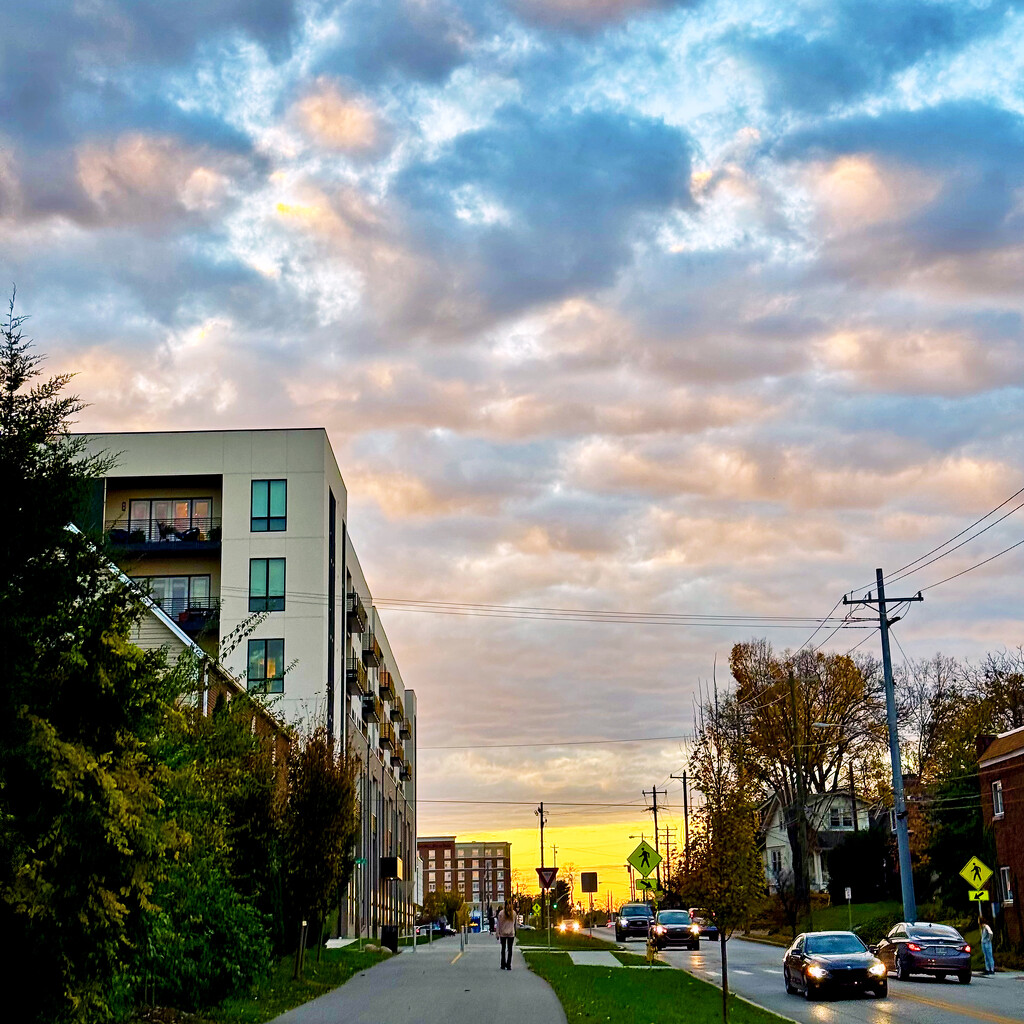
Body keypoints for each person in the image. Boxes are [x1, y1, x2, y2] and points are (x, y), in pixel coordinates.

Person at [497, 901, 516, 970]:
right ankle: (506, 964)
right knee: (507, 949)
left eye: (509, 904)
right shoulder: (502, 914)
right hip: (506, 934)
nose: (508, 906)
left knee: (506, 949)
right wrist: (497, 933)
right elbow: (499, 924)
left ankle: (505, 964)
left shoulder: (513, 913)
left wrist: (498, 933)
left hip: (507, 933)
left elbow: (515, 924)